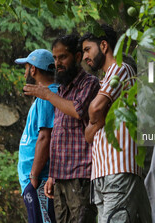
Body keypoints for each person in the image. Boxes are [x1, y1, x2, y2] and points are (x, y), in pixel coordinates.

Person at [23, 34, 100, 223]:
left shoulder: (89, 83)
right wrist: (52, 175)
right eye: (55, 58)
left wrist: (47, 95)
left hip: (80, 174)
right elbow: (58, 134)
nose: (58, 63)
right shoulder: (63, 89)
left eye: (62, 57)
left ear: (77, 56)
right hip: (60, 177)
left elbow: (78, 110)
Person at [79, 25, 152, 223]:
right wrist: (99, 119)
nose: (85, 56)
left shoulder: (121, 69)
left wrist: (98, 116)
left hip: (118, 168)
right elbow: (87, 135)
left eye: (87, 50)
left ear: (103, 46)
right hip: (103, 171)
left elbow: (94, 110)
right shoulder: (104, 79)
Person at [15, 49, 57, 223]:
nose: (25, 71)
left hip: (38, 180)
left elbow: (45, 137)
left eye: (26, 67)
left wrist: (33, 177)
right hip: (36, 179)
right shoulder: (46, 95)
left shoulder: (47, 96)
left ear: (33, 70)